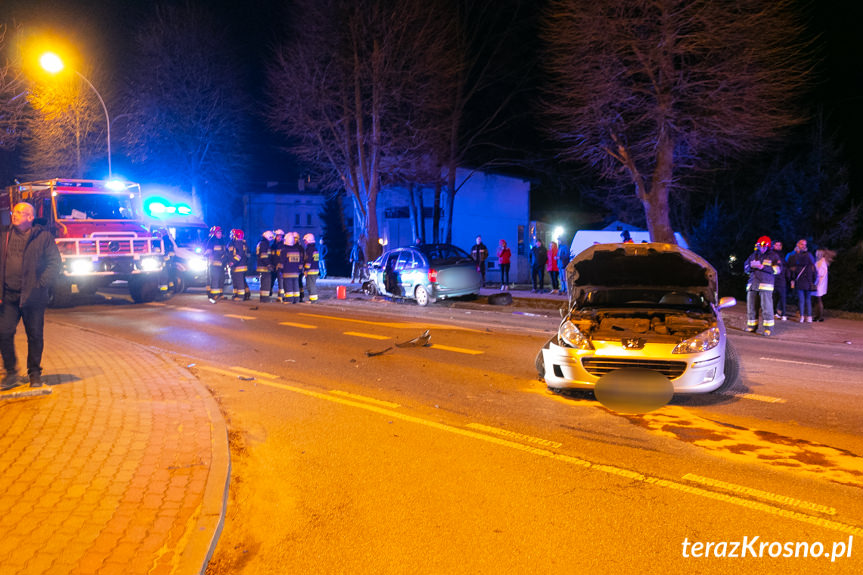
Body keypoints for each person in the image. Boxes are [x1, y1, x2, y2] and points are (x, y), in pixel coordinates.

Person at [0, 202, 62, 389]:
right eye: (14, 211)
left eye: (20, 212)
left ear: (30, 217)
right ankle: (11, 373)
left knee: (34, 336)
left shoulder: (43, 237)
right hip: (9, 295)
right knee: (4, 332)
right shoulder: (4, 234)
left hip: (33, 296)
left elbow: (55, 264)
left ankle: (34, 373)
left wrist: (40, 285)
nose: (15, 215)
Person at [743, 235, 782, 336]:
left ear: (768, 247)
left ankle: (768, 329)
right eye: (760, 246)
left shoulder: (774, 256)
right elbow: (746, 267)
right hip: (753, 285)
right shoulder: (753, 255)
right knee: (751, 307)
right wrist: (751, 267)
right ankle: (752, 326)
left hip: (766, 286)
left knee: (767, 308)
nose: (762, 248)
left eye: (764, 246)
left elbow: (777, 270)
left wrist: (763, 267)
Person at [786, 238, 817, 323]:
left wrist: (792, 279)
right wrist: (813, 281)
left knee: (801, 300)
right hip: (808, 281)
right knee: (808, 300)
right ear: (798, 244)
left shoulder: (796, 256)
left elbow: (793, 269)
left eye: (804, 244)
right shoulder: (810, 256)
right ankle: (809, 317)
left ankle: (802, 317)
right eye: (802, 244)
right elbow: (815, 271)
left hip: (800, 281)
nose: (804, 246)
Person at [204, 226, 227, 303]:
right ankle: (214, 295)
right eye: (218, 232)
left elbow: (224, 251)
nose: (220, 234)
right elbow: (207, 253)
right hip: (214, 264)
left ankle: (220, 293)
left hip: (221, 264)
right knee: (215, 279)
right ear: (214, 233)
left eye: (220, 232)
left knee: (221, 279)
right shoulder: (211, 241)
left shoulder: (222, 241)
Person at [226, 229, 251, 300]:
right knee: (241, 280)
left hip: (238, 266)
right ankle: (245, 294)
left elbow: (239, 254)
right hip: (241, 265)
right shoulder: (243, 243)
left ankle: (240, 296)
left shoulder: (237, 243)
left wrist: (233, 262)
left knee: (238, 281)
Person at [280, 231, 304, 303]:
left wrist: (280, 270)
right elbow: (300, 262)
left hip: (287, 272)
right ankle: (296, 299)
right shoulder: (297, 250)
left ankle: (289, 299)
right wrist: (300, 270)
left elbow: (282, 262)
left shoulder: (284, 251)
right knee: (296, 286)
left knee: (288, 286)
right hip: (296, 272)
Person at [813, 249, 834, 322]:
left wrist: (815, 281)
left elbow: (819, 274)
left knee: (818, 300)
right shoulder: (823, 262)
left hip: (819, 284)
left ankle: (819, 316)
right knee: (818, 300)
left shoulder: (820, 262)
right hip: (821, 284)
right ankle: (817, 316)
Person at [771, 240, 788, 321]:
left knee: (782, 297)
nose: (778, 247)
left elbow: (785, 267)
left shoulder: (782, 255)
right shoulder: (771, 254)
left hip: (781, 279)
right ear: (773, 245)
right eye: (776, 245)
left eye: (779, 245)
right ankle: (774, 312)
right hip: (773, 279)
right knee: (774, 297)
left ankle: (783, 314)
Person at [255, 231, 275, 302]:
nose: (272, 239)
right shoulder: (264, 244)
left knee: (264, 283)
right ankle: (265, 298)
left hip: (262, 266)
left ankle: (263, 298)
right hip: (264, 267)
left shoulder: (262, 243)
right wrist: (268, 264)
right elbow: (264, 256)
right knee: (266, 283)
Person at [302, 233, 320, 303]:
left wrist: (306, 270)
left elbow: (308, 260)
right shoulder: (315, 249)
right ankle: (312, 298)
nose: (305, 242)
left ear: (309, 240)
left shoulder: (309, 250)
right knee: (311, 284)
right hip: (315, 269)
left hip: (311, 270)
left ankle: (313, 300)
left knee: (310, 285)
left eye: (305, 240)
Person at [270, 229, 286, 301]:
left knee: (281, 282)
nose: (279, 238)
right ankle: (269, 293)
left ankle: (281, 296)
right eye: (277, 236)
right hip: (273, 267)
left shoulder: (283, 246)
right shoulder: (273, 246)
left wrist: (280, 264)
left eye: (280, 236)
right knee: (271, 280)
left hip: (280, 267)